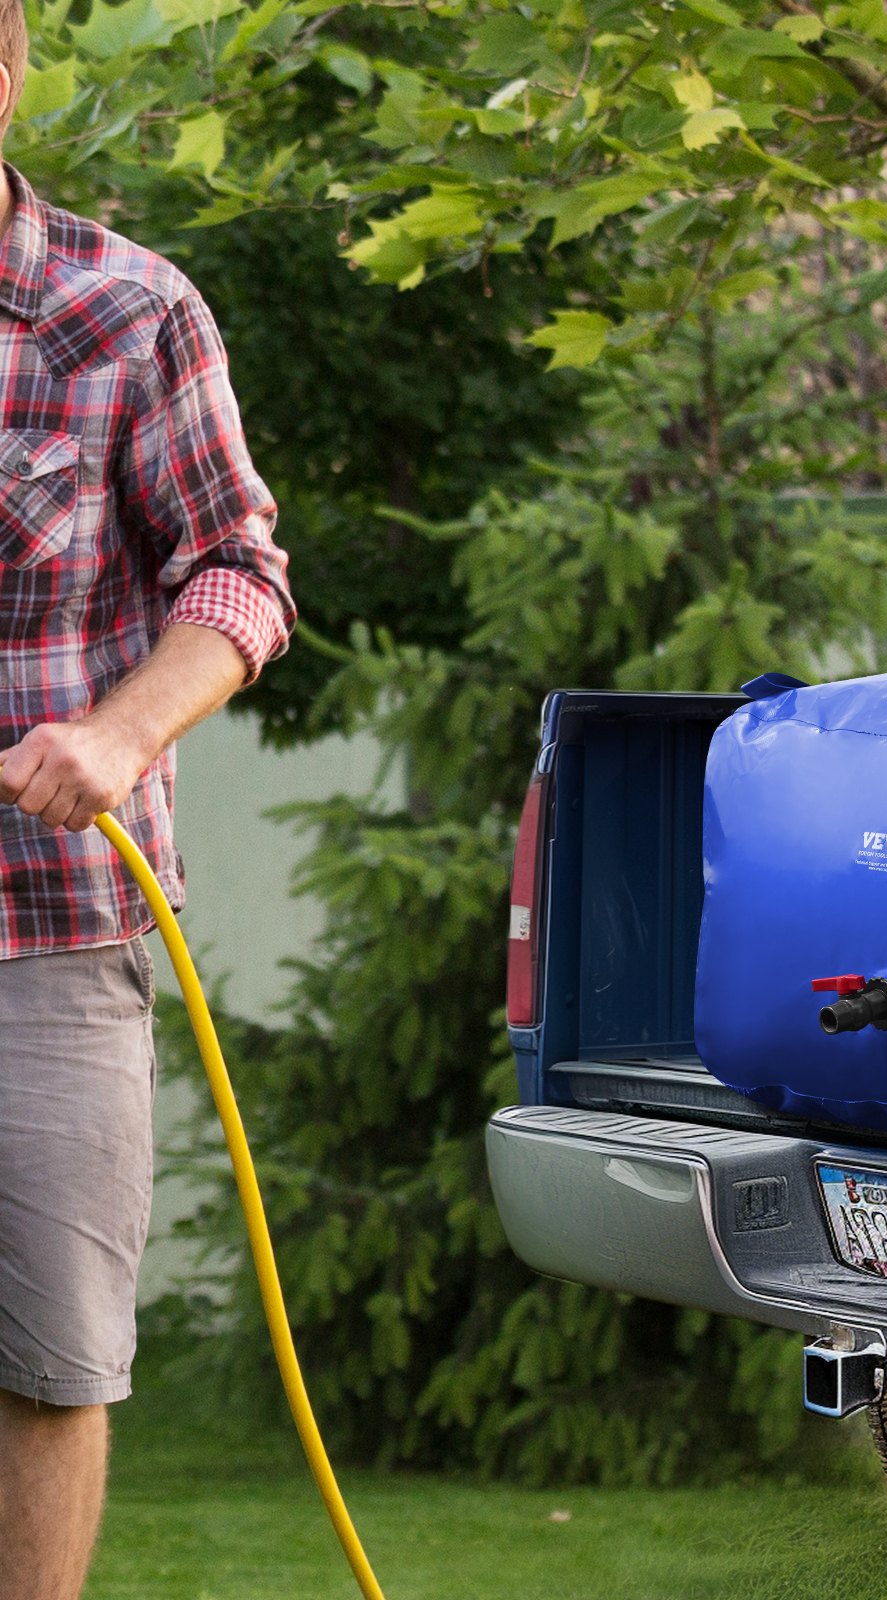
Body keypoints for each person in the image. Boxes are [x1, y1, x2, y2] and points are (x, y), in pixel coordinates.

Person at [0, 7, 295, 1596]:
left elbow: (239, 576)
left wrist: (118, 734)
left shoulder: (125, 312)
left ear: (4, 71)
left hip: (46, 934)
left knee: (49, 1360)